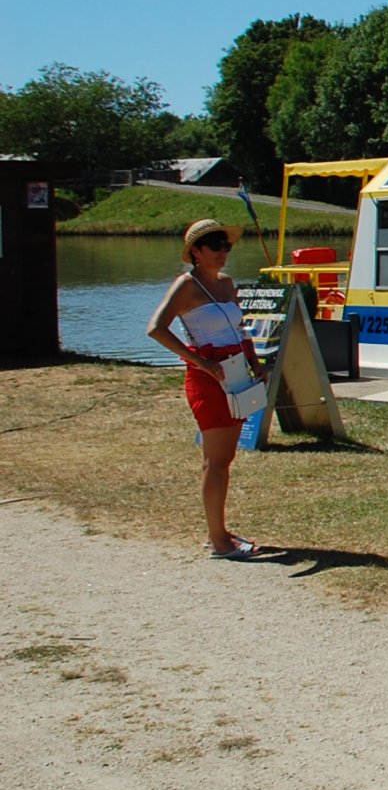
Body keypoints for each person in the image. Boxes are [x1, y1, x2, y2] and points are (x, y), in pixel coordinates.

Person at [146, 218, 267, 559]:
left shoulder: (227, 284)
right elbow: (156, 328)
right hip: (209, 376)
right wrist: (199, 361)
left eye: (226, 245)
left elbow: (241, 330)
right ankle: (219, 542)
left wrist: (255, 363)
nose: (223, 252)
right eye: (215, 245)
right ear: (195, 252)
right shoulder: (186, 286)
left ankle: (219, 531)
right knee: (216, 461)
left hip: (235, 373)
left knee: (224, 458)